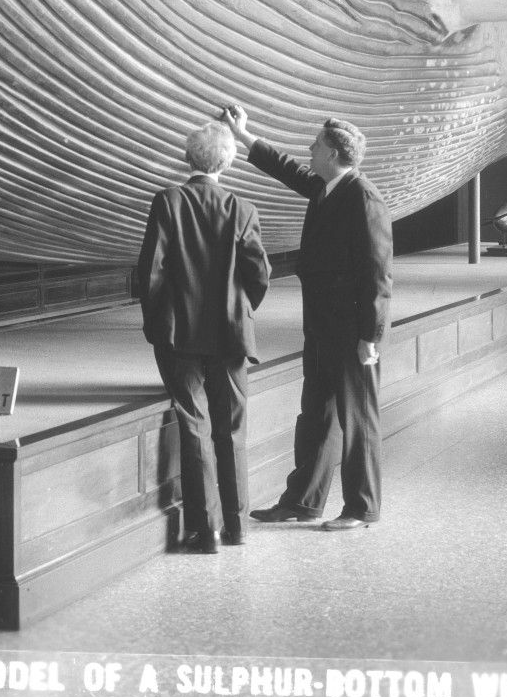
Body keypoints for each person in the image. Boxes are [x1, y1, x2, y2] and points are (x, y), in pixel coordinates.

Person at [221, 105, 393, 532]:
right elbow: (286, 169)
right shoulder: (328, 186)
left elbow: (378, 273)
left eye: (316, 145)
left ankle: (361, 507)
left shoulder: (364, 198)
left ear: (334, 154)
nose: (309, 150)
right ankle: (303, 501)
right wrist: (244, 136)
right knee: (315, 415)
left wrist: (370, 337)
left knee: (358, 419)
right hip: (320, 326)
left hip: (352, 331)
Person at [135, 119, 272, 554]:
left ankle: (206, 529)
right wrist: (238, 308)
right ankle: (238, 526)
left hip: (179, 335)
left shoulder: (168, 202)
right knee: (231, 429)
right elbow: (259, 275)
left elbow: (150, 272)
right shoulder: (243, 209)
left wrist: (158, 321)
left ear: (187, 158)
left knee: (193, 424)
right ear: (228, 163)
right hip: (231, 334)